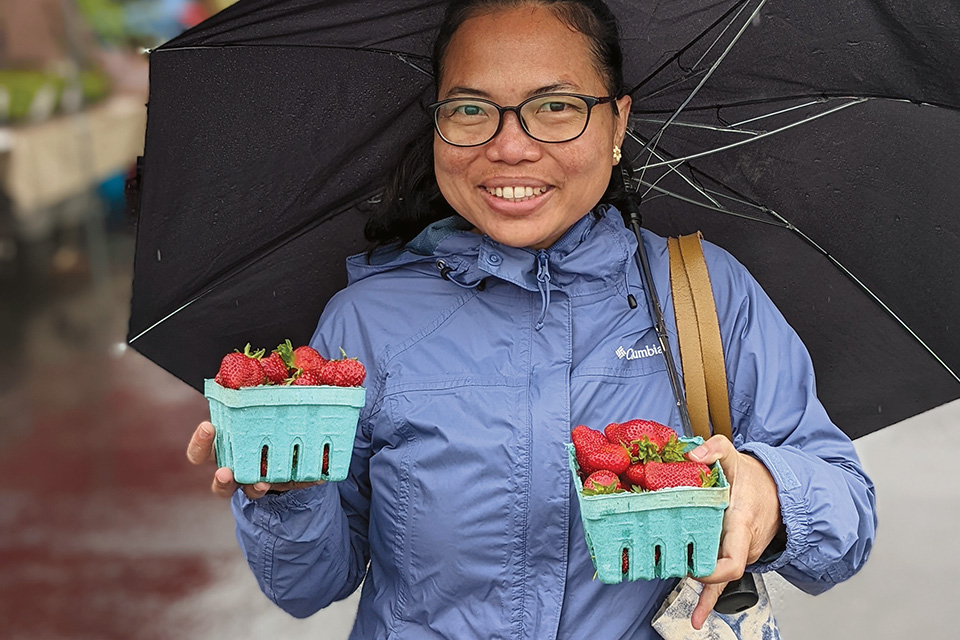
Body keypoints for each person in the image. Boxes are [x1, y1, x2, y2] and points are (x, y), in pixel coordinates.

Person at [185, 1, 876, 637]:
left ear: (619, 122)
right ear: (438, 124)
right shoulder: (367, 322)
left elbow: (845, 521)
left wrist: (772, 493)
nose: (510, 148)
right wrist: (283, 489)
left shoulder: (706, 294)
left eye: (555, 106)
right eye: (470, 111)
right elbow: (307, 588)